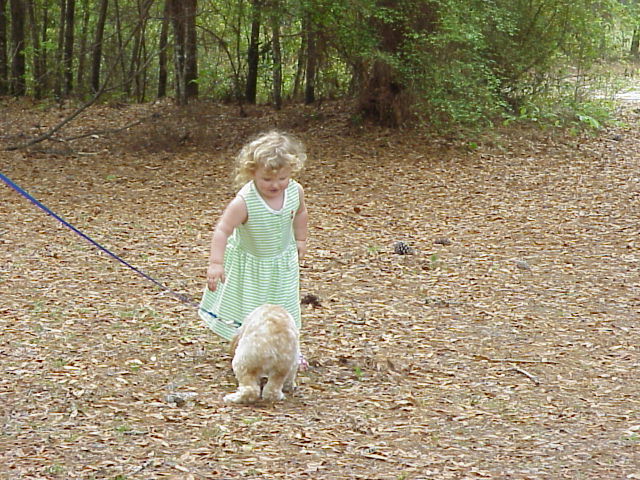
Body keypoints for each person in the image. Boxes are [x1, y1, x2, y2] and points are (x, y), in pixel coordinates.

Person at [199, 131, 308, 342]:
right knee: (250, 309)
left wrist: (301, 239)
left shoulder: (295, 191)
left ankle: (282, 343)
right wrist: (215, 263)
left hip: (282, 264)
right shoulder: (245, 201)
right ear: (252, 172)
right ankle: (246, 345)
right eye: (267, 179)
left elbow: (300, 212)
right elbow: (223, 229)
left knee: (283, 304)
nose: (275, 185)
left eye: (282, 178)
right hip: (251, 268)